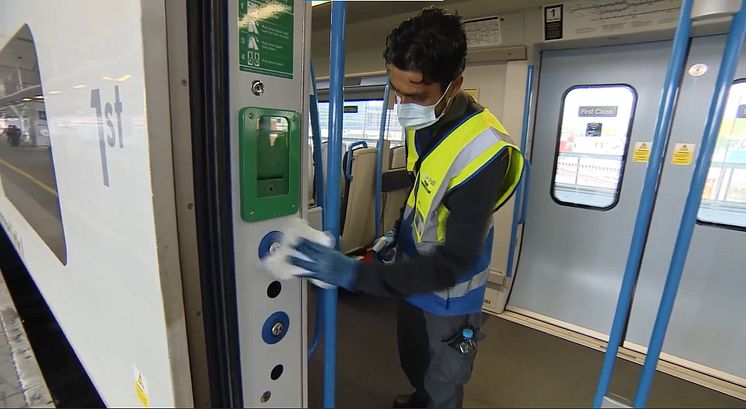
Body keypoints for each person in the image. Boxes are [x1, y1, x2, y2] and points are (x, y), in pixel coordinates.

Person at [290, 7, 524, 408]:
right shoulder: (424, 126)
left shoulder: (484, 153)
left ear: (453, 86)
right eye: (396, 90)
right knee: (414, 361)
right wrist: (395, 234)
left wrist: (354, 274)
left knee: (443, 380)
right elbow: (423, 192)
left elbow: (453, 262)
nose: (402, 103)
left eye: (415, 95)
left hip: (449, 296)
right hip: (412, 274)